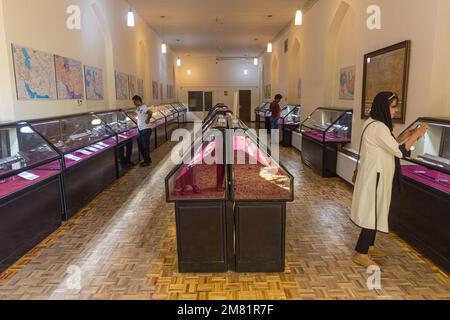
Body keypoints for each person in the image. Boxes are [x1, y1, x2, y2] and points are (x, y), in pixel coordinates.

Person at [351, 92, 429, 268]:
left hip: (375, 175)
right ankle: (361, 253)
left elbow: (389, 144)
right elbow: (400, 151)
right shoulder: (379, 127)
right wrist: (416, 135)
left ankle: (367, 247)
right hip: (375, 177)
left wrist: (404, 136)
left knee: (375, 211)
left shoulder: (373, 123)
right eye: (393, 106)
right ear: (383, 106)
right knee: (373, 212)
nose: (395, 110)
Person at [133, 95, 153, 167]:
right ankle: (147, 159)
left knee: (145, 146)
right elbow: (136, 113)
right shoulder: (138, 108)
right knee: (141, 146)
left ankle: (147, 161)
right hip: (141, 130)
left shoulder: (144, 107)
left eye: (134, 102)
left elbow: (150, 112)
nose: (134, 103)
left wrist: (147, 120)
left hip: (146, 129)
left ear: (138, 100)